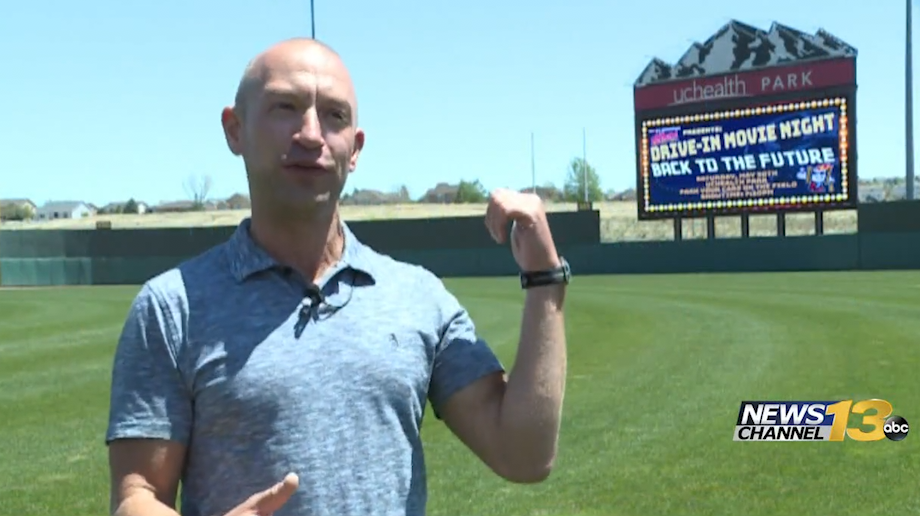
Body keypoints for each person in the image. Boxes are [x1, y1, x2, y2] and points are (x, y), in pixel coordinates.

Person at [105, 37, 569, 516]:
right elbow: (138, 493)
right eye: (285, 107)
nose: (311, 134)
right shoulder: (173, 307)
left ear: (356, 149)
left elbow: (525, 454)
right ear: (235, 129)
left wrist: (545, 279)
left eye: (334, 115)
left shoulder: (417, 299)